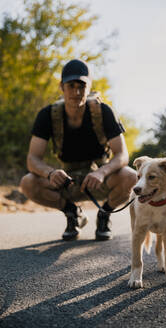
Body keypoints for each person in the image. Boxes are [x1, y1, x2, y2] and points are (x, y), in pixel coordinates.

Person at [20, 59, 137, 241]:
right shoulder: (47, 115)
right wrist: (50, 173)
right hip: (69, 182)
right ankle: (72, 213)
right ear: (61, 87)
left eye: (81, 86)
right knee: (28, 182)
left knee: (131, 177)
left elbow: (122, 155)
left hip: (99, 179)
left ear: (89, 87)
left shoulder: (104, 112)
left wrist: (101, 172)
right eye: (71, 85)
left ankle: (104, 214)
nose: (76, 92)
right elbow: (32, 159)